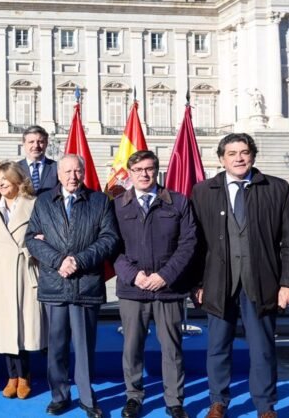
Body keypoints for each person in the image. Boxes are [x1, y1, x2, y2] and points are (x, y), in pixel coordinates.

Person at [191, 133, 289, 418]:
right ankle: (218, 402)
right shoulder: (204, 191)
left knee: (263, 349)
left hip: (263, 283)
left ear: (253, 156)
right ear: (221, 158)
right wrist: (197, 283)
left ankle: (265, 406)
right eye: (232, 153)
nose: (239, 158)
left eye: (244, 152)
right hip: (218, 283)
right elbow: (195, 243)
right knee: (217, 347)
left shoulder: (276, 188)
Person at [25, 154, 119, 418]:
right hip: (54, 285)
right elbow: (31, 238)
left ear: (84, 172)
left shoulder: (100, 201)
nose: (72, 176)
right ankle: (59, 396)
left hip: (86, 285)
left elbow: (109, 238)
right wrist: (59, 261)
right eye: (67, 172)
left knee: (85, 347)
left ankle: (88, 400)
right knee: (55, 347)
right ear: (58, 174)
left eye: (77, 171)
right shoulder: (44, 201)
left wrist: (78, 260)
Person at [113, 150, 197, 418]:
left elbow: (188, 244)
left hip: (168, 290)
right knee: (131, 347)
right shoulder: (117, 205)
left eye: (149, 169)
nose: (144, 174)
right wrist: (133, 275)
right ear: (130, 173)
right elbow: (111, 246)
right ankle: (134, 396)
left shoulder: (178, 202)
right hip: (132, 290)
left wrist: (165, 276)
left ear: (157, 170)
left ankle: (174, 401)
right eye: (138, 170)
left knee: (172, 349)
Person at [0, 161, 46, 400]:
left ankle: (24, 376)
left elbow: (44, 234)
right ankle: (11, 376)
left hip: (24, 270)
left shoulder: (33, 204)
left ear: (17, 180)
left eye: (5, 179)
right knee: (5, 328)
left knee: (23, 328)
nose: (0, 183)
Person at [18, 125, 58, 195]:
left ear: (46, 144)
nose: (36, 146)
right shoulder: (16, 168)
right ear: (24, 144)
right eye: (31, 142)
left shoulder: (57, 167)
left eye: (40, 142)